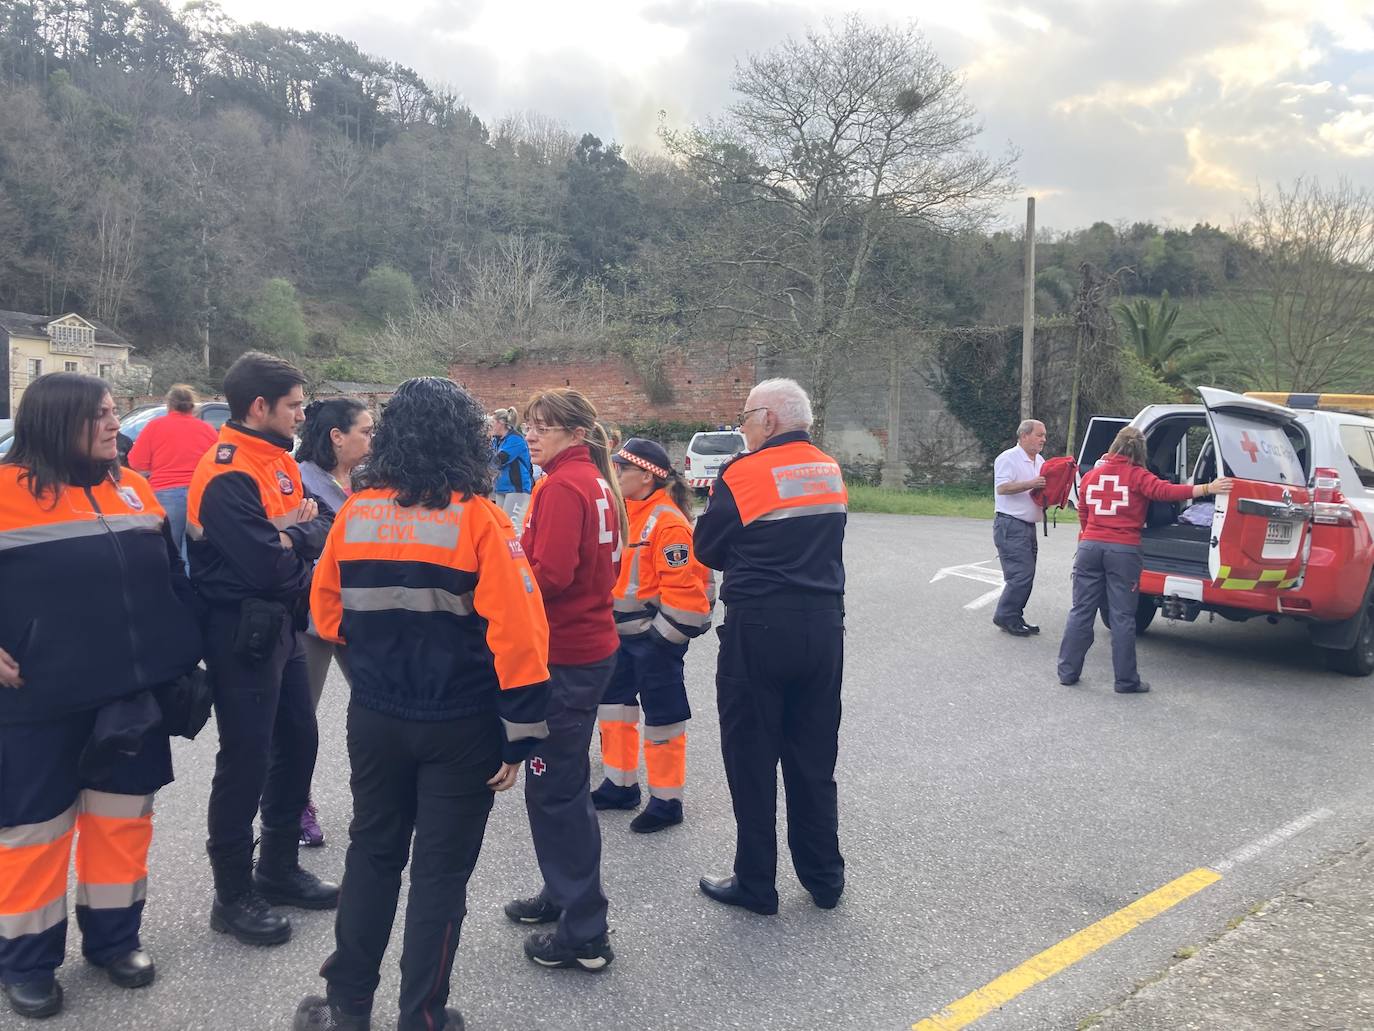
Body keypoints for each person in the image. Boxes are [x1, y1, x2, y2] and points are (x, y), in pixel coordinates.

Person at [294, 378, 551, 1031]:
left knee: (372, 853)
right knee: (439, 874)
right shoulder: (481, 519)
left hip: (377, 715)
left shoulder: (354, 514)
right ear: (465, 438)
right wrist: (518, 735)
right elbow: (521, 636)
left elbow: (325, 615)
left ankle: (347, 1006)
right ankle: (423, 1017)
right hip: (461, 724)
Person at [0, 374, 202, 1019]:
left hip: (127, 696)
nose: (117, 425)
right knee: (34, 837)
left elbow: (170, 575)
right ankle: (27, 963)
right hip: (36, 702)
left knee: (121, 826)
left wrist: (181, 651)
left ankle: (115, 943)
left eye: (116, 413)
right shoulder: (4, 494)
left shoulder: (133, 487)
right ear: (58, 422)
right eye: (102, 416)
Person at [186, 351, 338, 949]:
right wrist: (297, 535)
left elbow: (324, 523)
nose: (302, 415)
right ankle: (232, 893)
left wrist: (293, 532)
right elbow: (266, 565)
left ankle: (277, 868)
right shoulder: (227, 471)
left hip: (280, 623)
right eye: (295, 406)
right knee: (245, 757)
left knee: (299, 741)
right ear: (260, 407)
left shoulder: (278, 461)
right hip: (239, 630)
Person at [693, 378, 848, 916]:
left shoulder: (744, 473)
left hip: (760, 628)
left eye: (744, 417)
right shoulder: (829, 469)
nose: (741, 427)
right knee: (813, 757)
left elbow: (707, 547)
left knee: (752, 759)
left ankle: (756, 882)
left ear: (769, 419)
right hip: (825, 627)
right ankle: (824, 877)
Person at [504, 387, 624, 972]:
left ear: (577, 434)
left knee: (556, 789)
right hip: (589, 645)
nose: (533, 434)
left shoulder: (563, 485)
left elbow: (548, 573)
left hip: (567, 654)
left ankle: (584, 928)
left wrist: (504, 577)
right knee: (558, 785)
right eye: (530, 425)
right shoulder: (594, 480)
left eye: (545, 427)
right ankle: (561, 893)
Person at [592, 437, 714, 833]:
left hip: (653, 641)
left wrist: (659, 641)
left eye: (621, 470)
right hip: (621, 637)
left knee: (662, 719)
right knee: (614, 709)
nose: (615, 475)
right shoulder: (627, 512)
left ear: (646, 476)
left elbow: (686, 595)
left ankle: (666, 801)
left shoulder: (667, 521)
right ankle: (620, 784)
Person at [1058, 426, 1233, 693]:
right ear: (1140, 450)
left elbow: (1083, 510)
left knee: (1081, 611)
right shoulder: (1139, 476)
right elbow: (1167, 492)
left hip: (1089, 546)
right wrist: (1209, 487)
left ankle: (1068, 672)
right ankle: (1125, 680)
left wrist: (1090, 536)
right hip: (1123, 551)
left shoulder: (1092, 476)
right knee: (1122, 617)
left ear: (1115, 445)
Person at [293, 397, 374, 848]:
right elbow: (302, 541)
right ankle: (296, 802)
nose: (372, 439)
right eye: (365, 431)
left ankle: (376, 794)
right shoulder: (299, 480)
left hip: (361, 608)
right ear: (336, 436)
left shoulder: (365, 480)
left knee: (375, 700)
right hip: (311, 613)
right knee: (301, 714)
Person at [126, 384, 219, 567]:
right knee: (197, 549)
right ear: (193, 406)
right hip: (201, 496)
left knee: (170, 551)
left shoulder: (154, 427)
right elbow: (217, 463)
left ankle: (176, 589)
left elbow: (136, 463)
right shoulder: (207, 430)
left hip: (165, 494)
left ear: (169, 405)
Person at [992, 419, 1048, 637]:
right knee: (1020, 575)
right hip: (1010, 524)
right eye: (1039, 435)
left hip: (1028, 526)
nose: (1043, 439)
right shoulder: (1008, 458)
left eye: (1044, 435)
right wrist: (1032, 484)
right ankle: (1005, 616)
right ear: (1024, 436)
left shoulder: (1040, 460)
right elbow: (1003, 488)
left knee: (1027, 574)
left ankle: (1015, 615)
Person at [490, 406, 533, 531]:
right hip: (501, 487)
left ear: (501, 423)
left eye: (493, 422)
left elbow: (500, 459)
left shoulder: (515, 439)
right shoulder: (497, 440)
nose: (491, 426)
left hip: (516, 487)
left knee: (514, 526)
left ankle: (518, 551)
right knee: (501, 526)